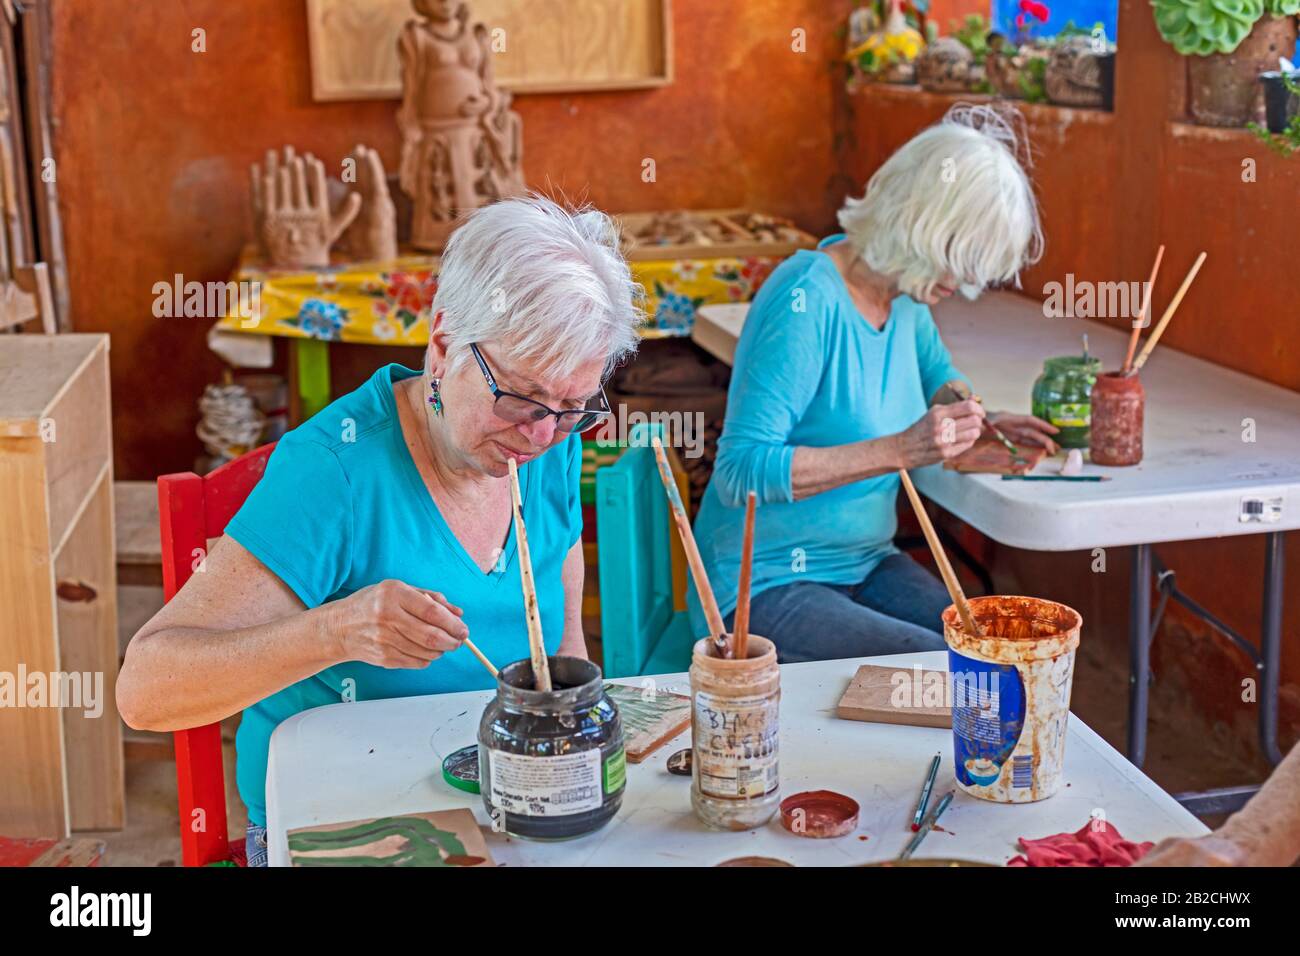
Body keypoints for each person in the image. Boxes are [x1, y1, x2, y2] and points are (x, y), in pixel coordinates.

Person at [116, 196, 641, 865]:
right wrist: (335, 632)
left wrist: (569, 709)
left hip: (502, 795)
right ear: (444, 345)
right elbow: (146, 692)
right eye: (519, 397)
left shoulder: (548, 441)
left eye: (571, 407)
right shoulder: (334, 472)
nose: (541, 435)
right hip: (345, 815)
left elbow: (560, 585)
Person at [690, 105, 1059, 662]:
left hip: (864, 562)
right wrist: (901, 450)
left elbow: (940, 378)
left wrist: (977, 417)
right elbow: (741, 472)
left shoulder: (906, 297)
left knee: (990, 650)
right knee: (946, 671)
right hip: (763, 581)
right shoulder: (807, 299)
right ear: (919, 225)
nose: (965, 281)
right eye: (958, 259)